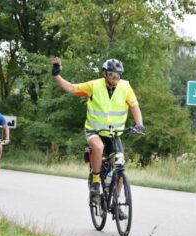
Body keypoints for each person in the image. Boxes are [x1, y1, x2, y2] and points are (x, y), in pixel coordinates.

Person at [52, 57, 145, 198]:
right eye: (112, 74)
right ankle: (95, 180)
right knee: (99, 147)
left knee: (120, 167)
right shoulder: (94, 86)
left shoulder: (125, 87)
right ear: (105, 74)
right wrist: (56, 75)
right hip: (94, 131)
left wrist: (139, 124)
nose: (116, 77)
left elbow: (135, 107)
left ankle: (116, 202)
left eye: (118, 75)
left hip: (114, 134)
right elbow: (71, 88)